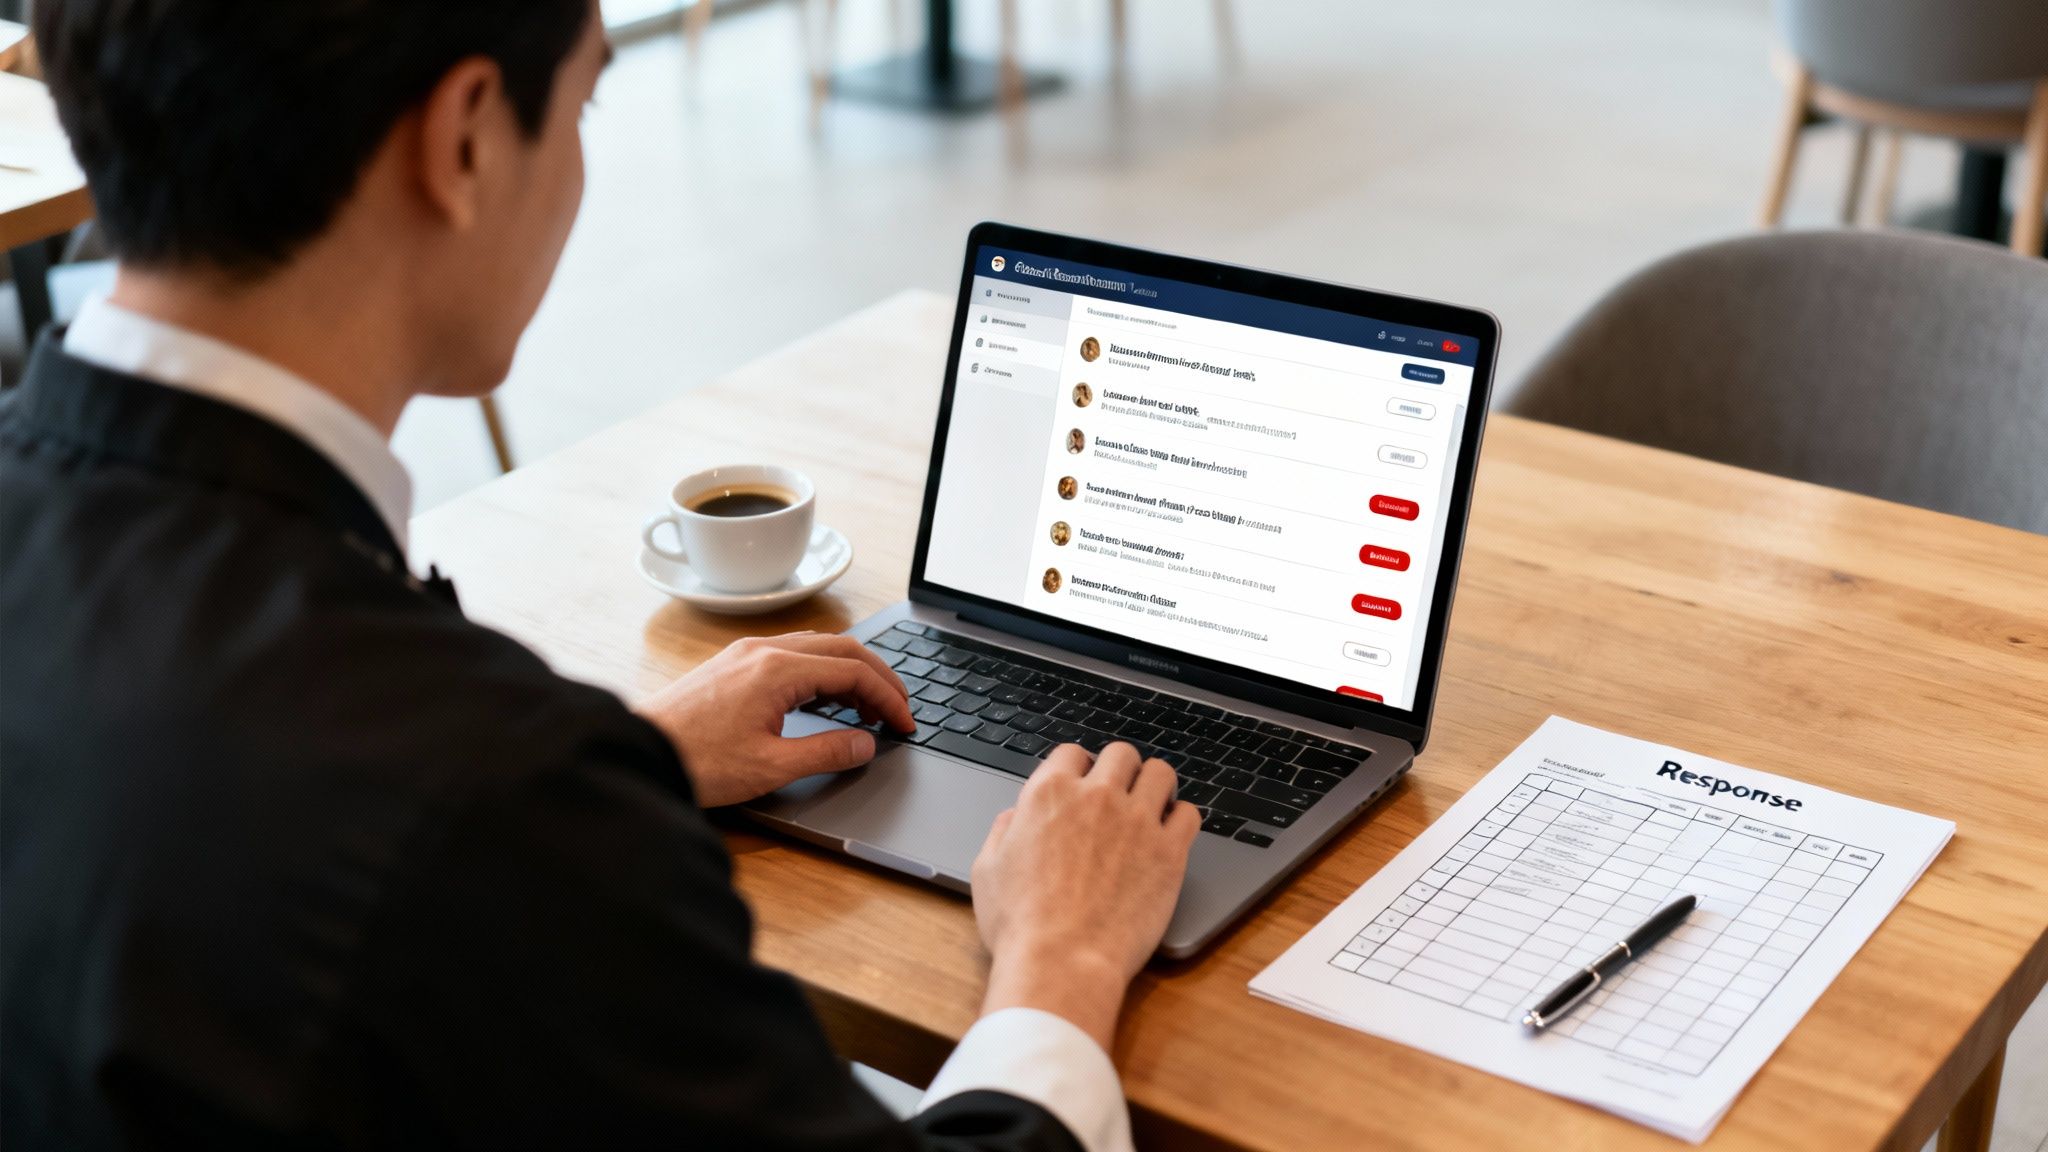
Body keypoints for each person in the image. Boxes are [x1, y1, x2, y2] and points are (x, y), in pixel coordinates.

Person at [0, 4, 1197, 1150]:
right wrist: (1062, 960)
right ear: (464, 137)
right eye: (580, 105)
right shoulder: (488, 797)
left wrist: (625, 763)